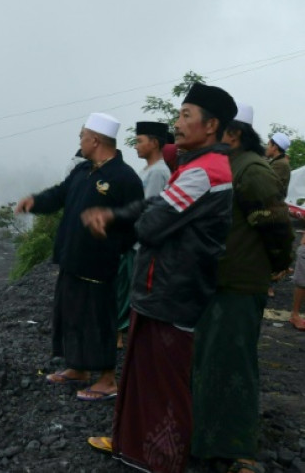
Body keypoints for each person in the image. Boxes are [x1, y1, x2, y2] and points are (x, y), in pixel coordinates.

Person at [82, 82, 237, 472]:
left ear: (211, 124)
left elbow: (153, 225)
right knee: (143, 374)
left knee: (165, 382)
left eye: (186, 116)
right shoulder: (196, 166)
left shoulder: (204, 172)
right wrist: (116, 215)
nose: (178, 123)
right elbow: (155, 206)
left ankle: (162, 460)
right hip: (162, 288)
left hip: (173, 290)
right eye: (179, 114)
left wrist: (126, 219)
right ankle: (133, 447)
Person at [191, 105, 293, 473]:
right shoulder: (227, 165)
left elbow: (277, 228)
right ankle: (207, 437)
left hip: (239, 281)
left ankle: (238, 447)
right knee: (211, 360)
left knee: (234, 363)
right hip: (219, 279)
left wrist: (278, 265)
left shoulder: (251, 169)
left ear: (233, 134)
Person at [15, 113, 143, 401]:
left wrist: (113, 243)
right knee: (70, 314)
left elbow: (137, 220)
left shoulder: (124, 177)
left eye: (82, 136)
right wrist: (35, 202)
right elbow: (60, 195)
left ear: (95, 139)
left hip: (100, 262)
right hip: (72, 257)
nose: (80, 141)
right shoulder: (83, 170)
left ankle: (107, 380)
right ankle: (78, 369)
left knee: (98, 319)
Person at [114, 121, 172, 347]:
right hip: (136, 241)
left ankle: (121, 333)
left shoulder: (158, 172)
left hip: (140, 244)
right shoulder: (149, 169)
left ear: (154, 143)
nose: (136, 146)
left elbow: (146, 211)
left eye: (140, 141)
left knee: (127, 289)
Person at [266, 130, 292, 200]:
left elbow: (265, 185)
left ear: (274, 147)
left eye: (268, 144)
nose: (267, 147)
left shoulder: (280, 164)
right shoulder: (279, 162)